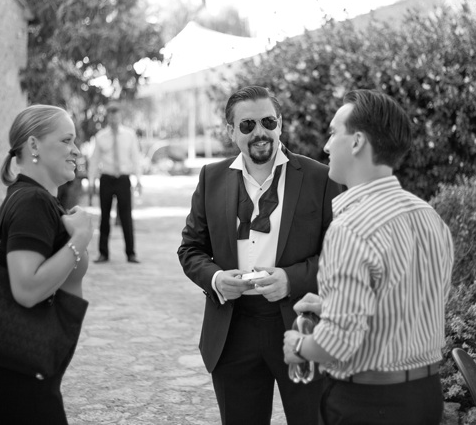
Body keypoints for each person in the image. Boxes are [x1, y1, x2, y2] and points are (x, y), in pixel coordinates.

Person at [283, 90, 454, 425]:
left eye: (334, 133)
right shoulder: (429, 215)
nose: (327, 146)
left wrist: (299, 345)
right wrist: (332, 306)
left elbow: (336, 346)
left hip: (367, 404)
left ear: (358, 141)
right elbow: (408, 304)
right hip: (426, 397)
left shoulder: (349, 228)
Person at [178, 85, 343, 425]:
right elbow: (191, 248)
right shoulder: (211, 178)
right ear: (231, 132)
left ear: (280, 124)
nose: (260, 132)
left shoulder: (320, 178)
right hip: (232, 328)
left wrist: (291, 279)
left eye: (268, 121)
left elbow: (338, 255)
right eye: (248, 125)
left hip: (300, 323)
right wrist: (215, 278)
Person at [0, 105, 92, 425]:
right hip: (20, 374)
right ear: (34, 145)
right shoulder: (33, 201)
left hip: (23, 369)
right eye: (66, 140)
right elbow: (26, 290)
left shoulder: (28, 196)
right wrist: (79, 238)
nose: (76, 150)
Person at [88, 101, 142, 263]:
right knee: (104, 216)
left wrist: (139, 179)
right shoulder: (100, 137)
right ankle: (103, 253)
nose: (114, 119)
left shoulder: (129, 135)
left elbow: (136, 158)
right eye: (111, 116)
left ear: (120, 116)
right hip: (107, 179)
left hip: (123, 180)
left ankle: (130, 253)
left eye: (116, 115)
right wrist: (91, 181)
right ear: (108, 117)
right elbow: (94, 160)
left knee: (126, 216)